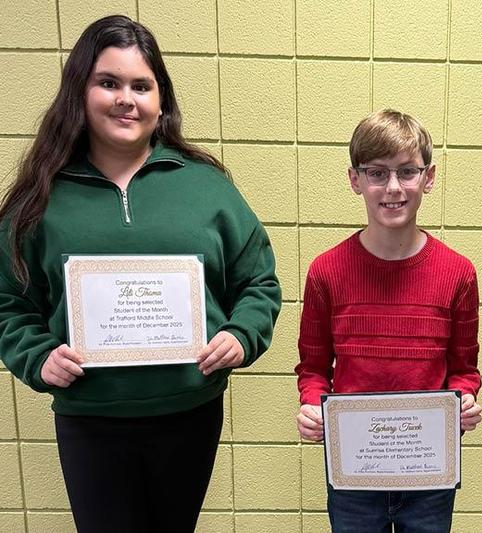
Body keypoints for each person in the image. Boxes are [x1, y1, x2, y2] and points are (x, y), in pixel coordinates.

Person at [0, 15, 281, 533]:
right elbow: (7, 302)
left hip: (189, 412)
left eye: (141, 86)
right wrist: (36, 355)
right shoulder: (40, 197)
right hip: (91, 419)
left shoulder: (207, 187)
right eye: (108, 83)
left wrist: (242, 335)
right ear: (80, 93)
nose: (125, 98)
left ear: (161, 99)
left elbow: (258, 281)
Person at [294, 109, 482, 532]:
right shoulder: (326, 272)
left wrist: (463, 400)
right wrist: (311, 404)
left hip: (429, 473)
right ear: (354, 180)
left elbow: (464, 370)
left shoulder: (458, 274)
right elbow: (313, 369)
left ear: (428, 178)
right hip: (354, 475)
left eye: (407, 171)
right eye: (377, 173)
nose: (393, 187)